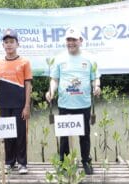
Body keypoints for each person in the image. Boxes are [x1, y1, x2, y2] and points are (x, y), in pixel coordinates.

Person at [45, 27, 101, 175]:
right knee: (64, 137)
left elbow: (95, 77)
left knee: (85, 135)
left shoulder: (90, 58)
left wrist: (97, 86)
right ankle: (64, 163)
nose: (71, 43)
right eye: (68, 40)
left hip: (84, 104)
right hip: (65, 104)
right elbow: (55, 79)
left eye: (74, 40)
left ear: (80, 41)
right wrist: (51, 91)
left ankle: (85, 161)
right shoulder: (59, 58)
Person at [0, 29, 32, 174]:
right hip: (4, 104)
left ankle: (22, 163)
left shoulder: (24, 62)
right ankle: (9, 162)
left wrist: (27, 106)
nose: (9, 45)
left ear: (17, 44)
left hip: (20, 104)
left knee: (21, 134)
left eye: (12, 42)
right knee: (7, 134)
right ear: (3, 45)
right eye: (6, 42)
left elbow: (28, 85)